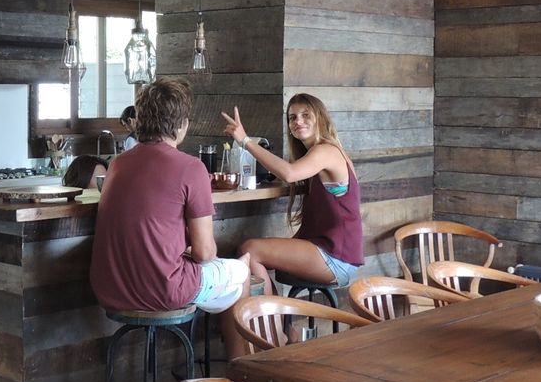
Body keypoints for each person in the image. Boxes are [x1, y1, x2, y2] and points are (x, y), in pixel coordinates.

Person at [89, 79, 248, 319]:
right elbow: (204, 253)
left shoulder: (117, 164)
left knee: (212, 276)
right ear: (182, 124)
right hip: (163, 290)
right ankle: (242, 356)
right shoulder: (191, 168)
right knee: (241, 271)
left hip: (109, 289)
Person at [222, 94, 363, 296]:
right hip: (331, 251)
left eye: (306, 115)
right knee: (252, 252)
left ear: (320, 118)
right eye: (292, 117)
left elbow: (289, 173)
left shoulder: (327, 151)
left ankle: (271, 325)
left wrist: (245, 141)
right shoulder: (315, 154)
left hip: (336, 257)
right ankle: (277, 320)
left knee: (250, 250)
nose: (298, 121)